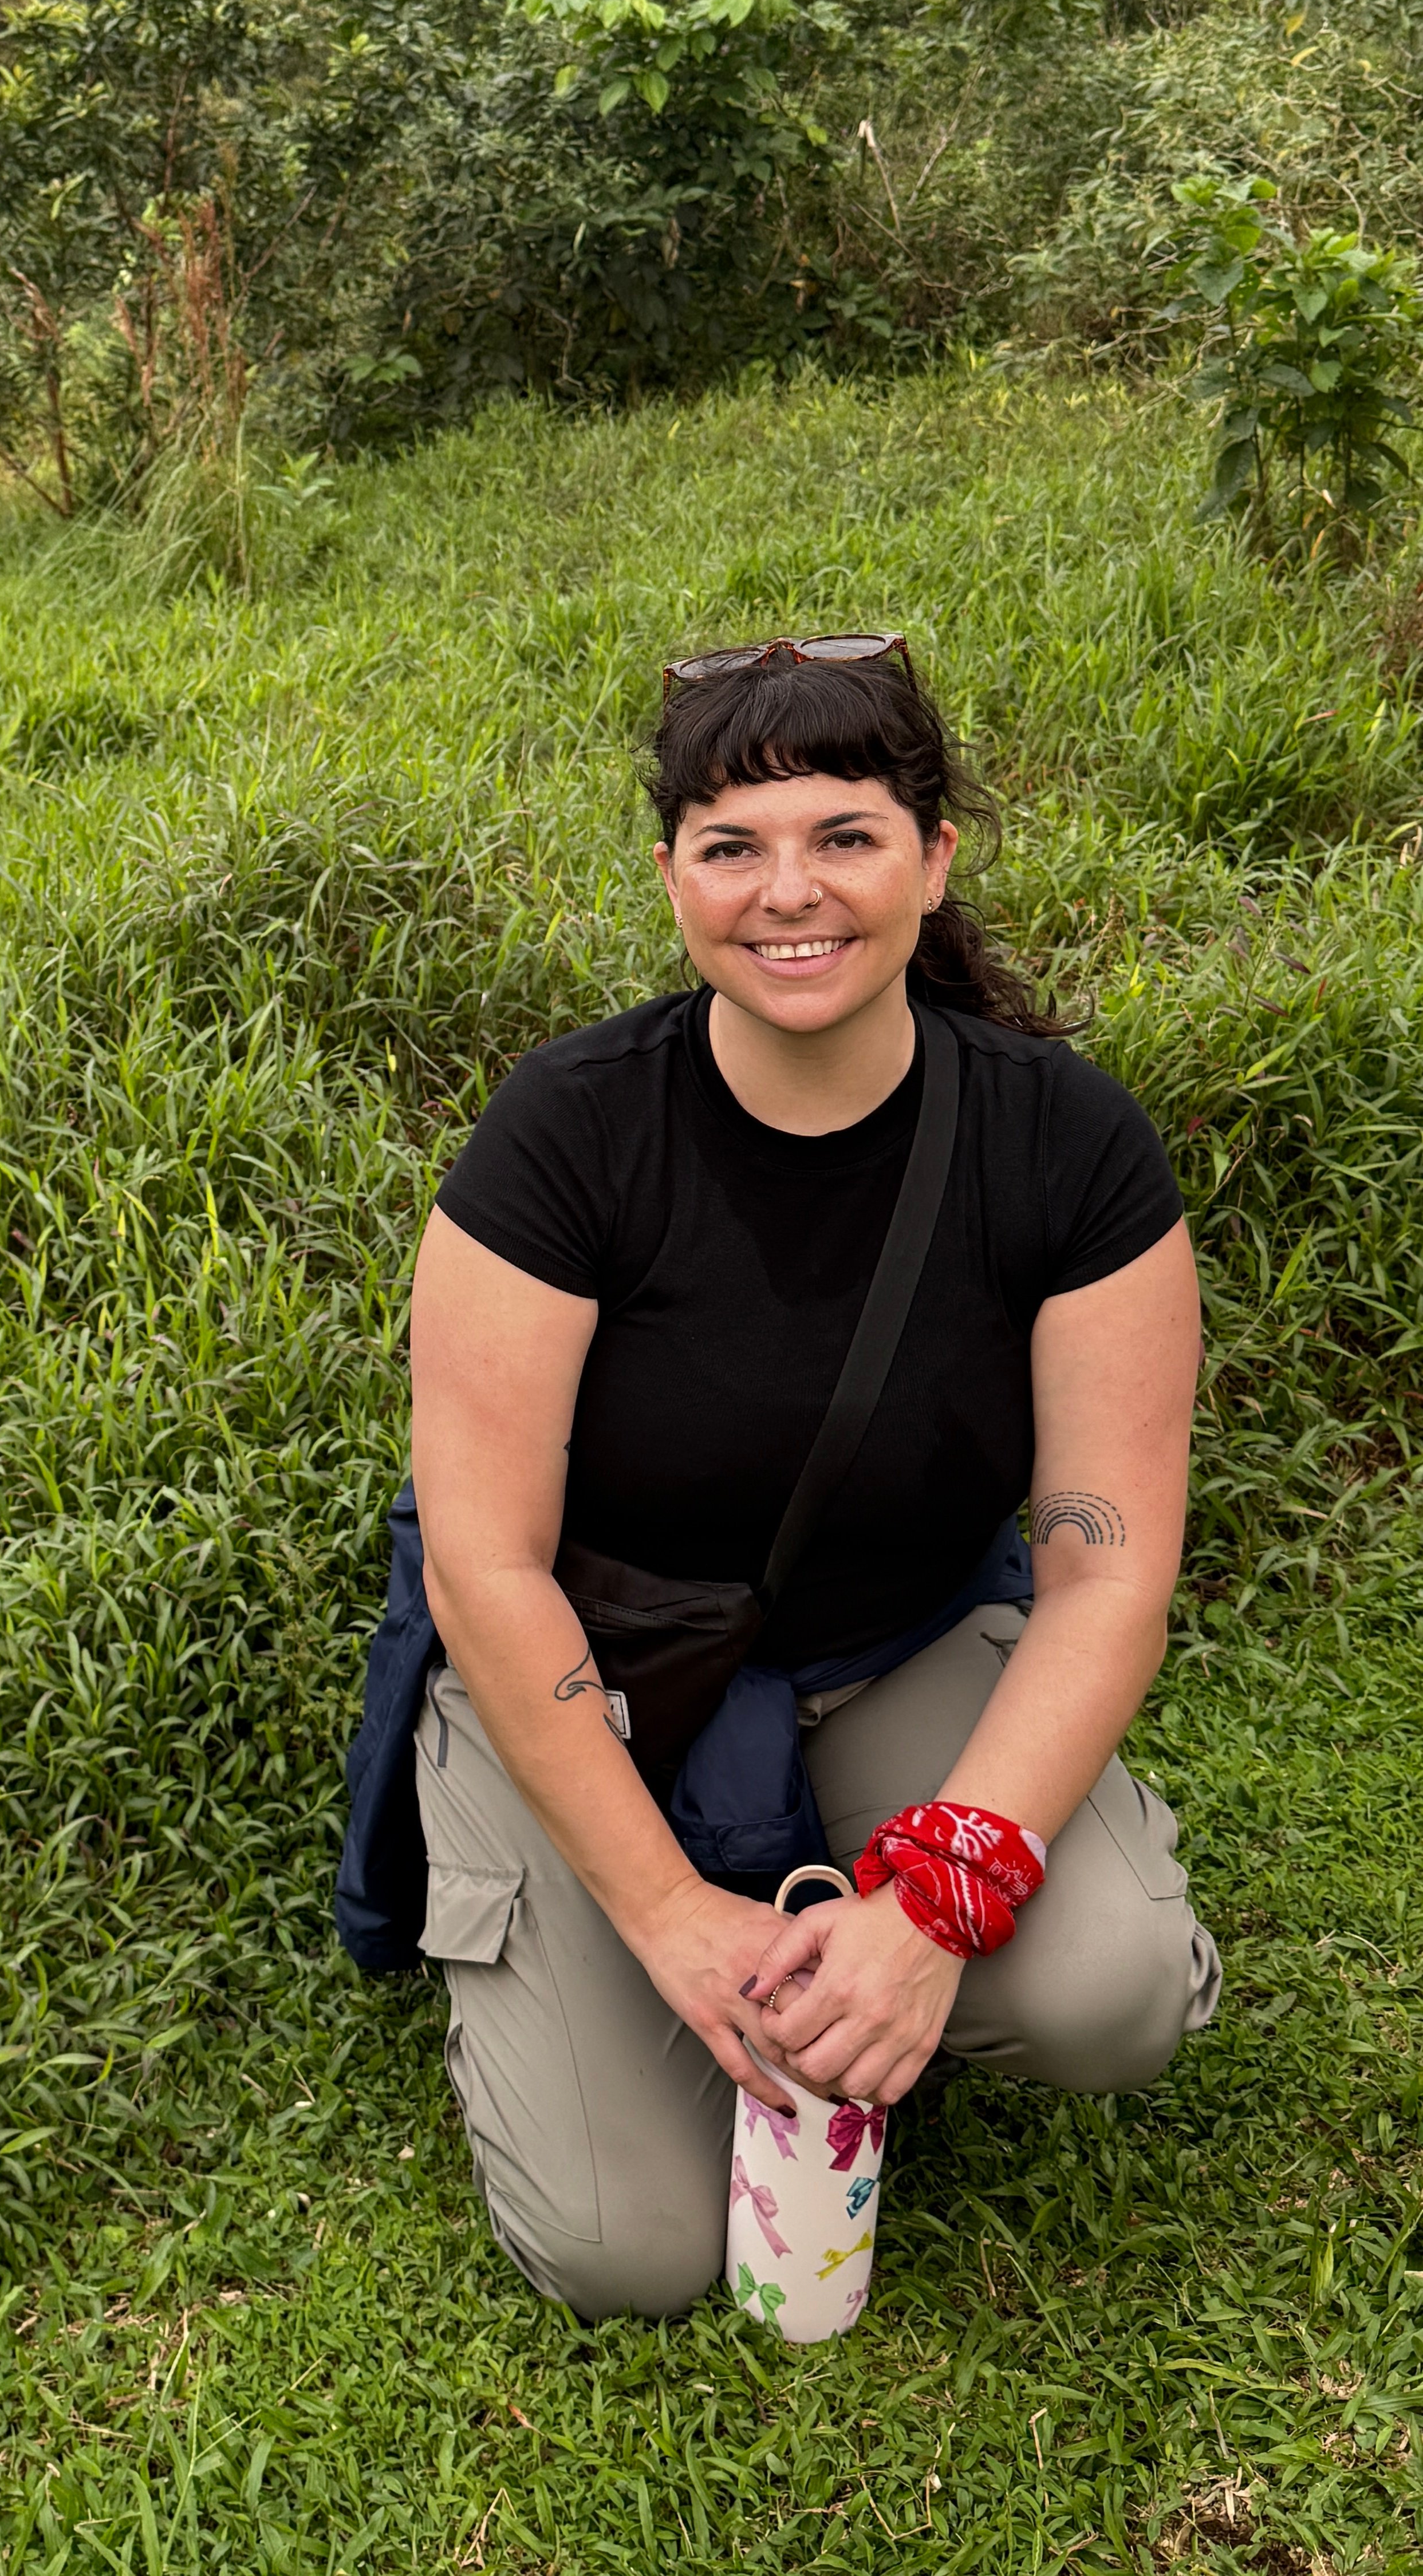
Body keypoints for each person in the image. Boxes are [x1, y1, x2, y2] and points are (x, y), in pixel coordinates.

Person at [404, 633, 1221, 2322]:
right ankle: (619, 1925)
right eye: (731, 845)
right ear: (670, 879)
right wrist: (662, 1918)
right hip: (600, 1666)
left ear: (932, 859)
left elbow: (1104, 1567)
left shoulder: (1065, 1145)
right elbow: (483, 1560)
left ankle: (865, 1948)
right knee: (627, 2256)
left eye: (845, 835)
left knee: (1107, 1997)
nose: (791, 892)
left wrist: (935, 1900)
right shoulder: (564, 1135)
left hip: (900, 1644)